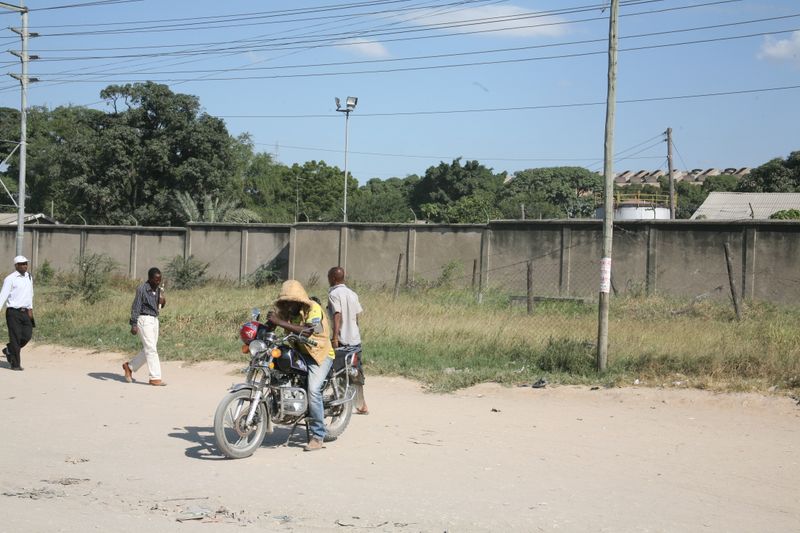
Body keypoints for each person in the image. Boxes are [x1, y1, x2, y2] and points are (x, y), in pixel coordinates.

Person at [266, 279, 335, 452]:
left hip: (319, 354)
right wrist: (267, 325)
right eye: (285, 302)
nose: (289, 305)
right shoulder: (285, 313)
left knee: (313, 390)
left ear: (300, 300)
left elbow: (308, 330)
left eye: (292, 301)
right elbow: (272, 327)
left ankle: (318, 436)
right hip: (299, 352)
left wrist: (279, 322)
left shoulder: (313, 308)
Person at [327, 266, 368, 414]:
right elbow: (356, 317)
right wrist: (355, 331)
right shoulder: (352, 294)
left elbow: (337, 314)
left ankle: (341, 403)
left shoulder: (333, 293)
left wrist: (335, 336)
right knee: (356, 371)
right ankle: (362, 405)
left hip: (342, 340)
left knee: (338, 371)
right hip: (355, 339)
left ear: (332, 278)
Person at [122, 267, 166, 386]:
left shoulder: (157, 290)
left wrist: (163, 301)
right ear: (150, 278)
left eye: (159, 280)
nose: (158, 282)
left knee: (150, 348)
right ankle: (155, 378)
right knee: (151, 349)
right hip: (143, 319)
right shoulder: (142, 289)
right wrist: (134, 323)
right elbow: (136, 306)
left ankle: (129, 367)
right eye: (156, 280)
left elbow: (159, 305)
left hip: (154, 320)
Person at [0, 255, 35, 371]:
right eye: (21, 264)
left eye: (26, 263)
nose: (25, 266)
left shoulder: (29, 277)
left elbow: (30, 294)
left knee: (27, 335)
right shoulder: (10, 279)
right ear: (16, 266)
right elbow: (3, 296)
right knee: (15, 337)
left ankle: (9, 349)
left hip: (25, 312)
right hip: (13, 312)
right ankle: (15, 364)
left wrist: (30, 309)